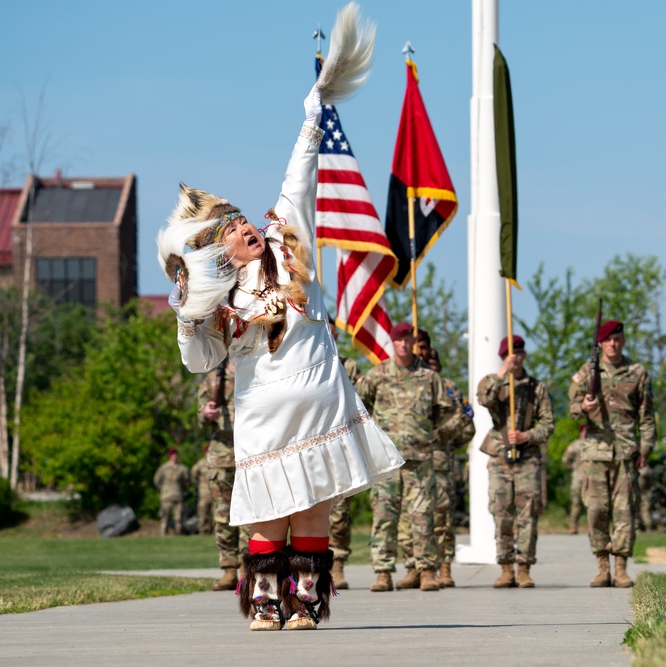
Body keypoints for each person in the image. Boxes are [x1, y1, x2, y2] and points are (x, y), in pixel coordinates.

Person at [157, 7, 404, 631]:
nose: (247, 230)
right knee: (268, 511)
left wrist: (312, 111)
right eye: (234, 229)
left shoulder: (288, 237)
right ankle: (265, 604)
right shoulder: (215, 301)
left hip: (317, 396)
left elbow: (301, 172)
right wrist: (193, 308)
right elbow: (199, 360)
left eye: (245, 221)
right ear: (219, 248)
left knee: (315, 509)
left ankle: (307, 604)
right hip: (263, 409)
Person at [357, 321, 456, 593]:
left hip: (420, 460)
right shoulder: (377, 376)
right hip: (387, 460)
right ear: (392, 342)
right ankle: (383, 572)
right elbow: (358, 407)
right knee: (384, 517)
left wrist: (434, 436)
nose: (403, 344)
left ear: (414, 342)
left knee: (423, 517)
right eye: (398, 340)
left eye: (407, 340)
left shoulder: (429, 378)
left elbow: (447, 413)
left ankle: (426, 571)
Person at [568, 319, 656, 588]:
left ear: (624, 341)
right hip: (595, 453)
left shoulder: (637, 373)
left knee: (625, 512)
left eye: (617, 339)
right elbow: (571, 409)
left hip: (626, 453)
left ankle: (621, 568)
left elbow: (647, 416)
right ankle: (602, 566)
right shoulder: (586, 372)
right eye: (608, 340)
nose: (613, 344)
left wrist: (646, 447)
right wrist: (584, 405)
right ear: (600, 344)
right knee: (596, 510)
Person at [396, 330, 475, 588]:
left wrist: (440, 435)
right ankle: (413, 566)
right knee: (409, 516)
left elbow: (466, 424)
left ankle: (443, 565)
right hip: (410, 459)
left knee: (441, 516)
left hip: (439, 460)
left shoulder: (447, 388)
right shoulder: (404, 385)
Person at [477, 334, 554, 588]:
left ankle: (524, 568)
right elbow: (484, 399)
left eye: (519, 353)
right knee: (501, 513)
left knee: (528, 514)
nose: (515, 358)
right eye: (511, 354)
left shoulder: (537, 388)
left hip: (527, 458)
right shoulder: (493, 383)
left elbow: (547, 425)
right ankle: (506, 567)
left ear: (525, 355)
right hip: (500, 457)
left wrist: (526, 436)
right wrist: (502, 373)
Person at [198, 363, 248, 591]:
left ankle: (248, 569)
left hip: (251, 450)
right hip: (222, 456)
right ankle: (229, 569)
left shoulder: (257, 370)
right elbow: (200, 418)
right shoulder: (212, 379)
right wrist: (206, 413)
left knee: (252, 514)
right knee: (223, 514)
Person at [327, 351, 362, 590]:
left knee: (339, 512)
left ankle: (336, 564)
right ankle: (306, 567)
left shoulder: (346, 365)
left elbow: (362, 399)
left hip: (338, 443)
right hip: (304, 443)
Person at [154, 448, 189, 536]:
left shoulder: (182, 468)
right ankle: (163, 533)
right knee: (164, 516)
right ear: (169, 456)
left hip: (178, 495)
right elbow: (157, 480)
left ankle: (178, 533)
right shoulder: (164, 468)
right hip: (166, 496)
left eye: (175, 455)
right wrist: (163, 489)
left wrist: (184, 491)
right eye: (172, 455)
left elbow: (187, 482)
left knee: (178, 518)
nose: (174, 457)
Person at [562, 425, 587, 534]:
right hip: (578, 477)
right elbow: (565, 459)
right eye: (584, 431)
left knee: (594, 503)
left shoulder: (594, 445)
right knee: (576, 503)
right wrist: (572, 467)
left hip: (592, 478)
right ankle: (573, 526)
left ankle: (594, 527)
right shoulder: (575, 445)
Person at [190, 446, 214, 535]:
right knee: (203, 513)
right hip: (204, 493)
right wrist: (199, 484)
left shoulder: (215, 462)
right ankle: (203, 531)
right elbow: (194, 475)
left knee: (214, 514)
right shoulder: (200, 464)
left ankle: (213, 531)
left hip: (214, 492)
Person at [636, 457, 655, 532]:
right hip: (635, 493)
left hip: (644, 494)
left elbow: (651, 479)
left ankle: (648, 528)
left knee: (645, 510)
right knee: (635, 511)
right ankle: (637, 527)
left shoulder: (647, 470)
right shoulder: (634, 469)